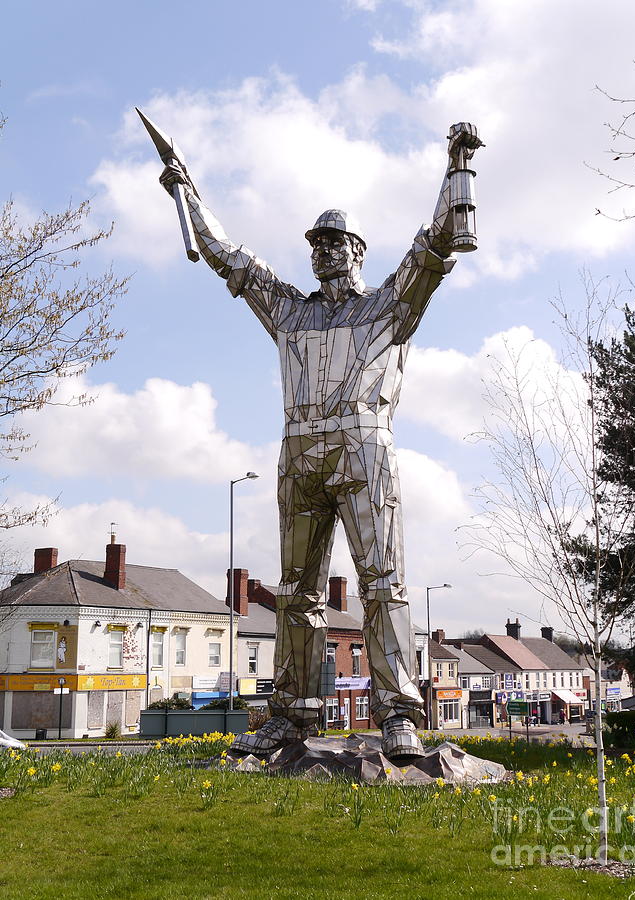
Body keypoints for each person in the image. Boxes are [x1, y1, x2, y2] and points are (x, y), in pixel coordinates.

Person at [158, 122, 482, 759]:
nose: (326, 250)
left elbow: (439, 246)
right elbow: (229, 258)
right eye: (318, 243)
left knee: (383, 585)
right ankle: (291, 714)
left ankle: (397, 714)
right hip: (300, 452)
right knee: (296, 594)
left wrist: (459, 166)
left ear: (358, 249)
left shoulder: (387, 306)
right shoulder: (290, 312)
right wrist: (187, 191)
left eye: (337, 242)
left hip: (365, 452)